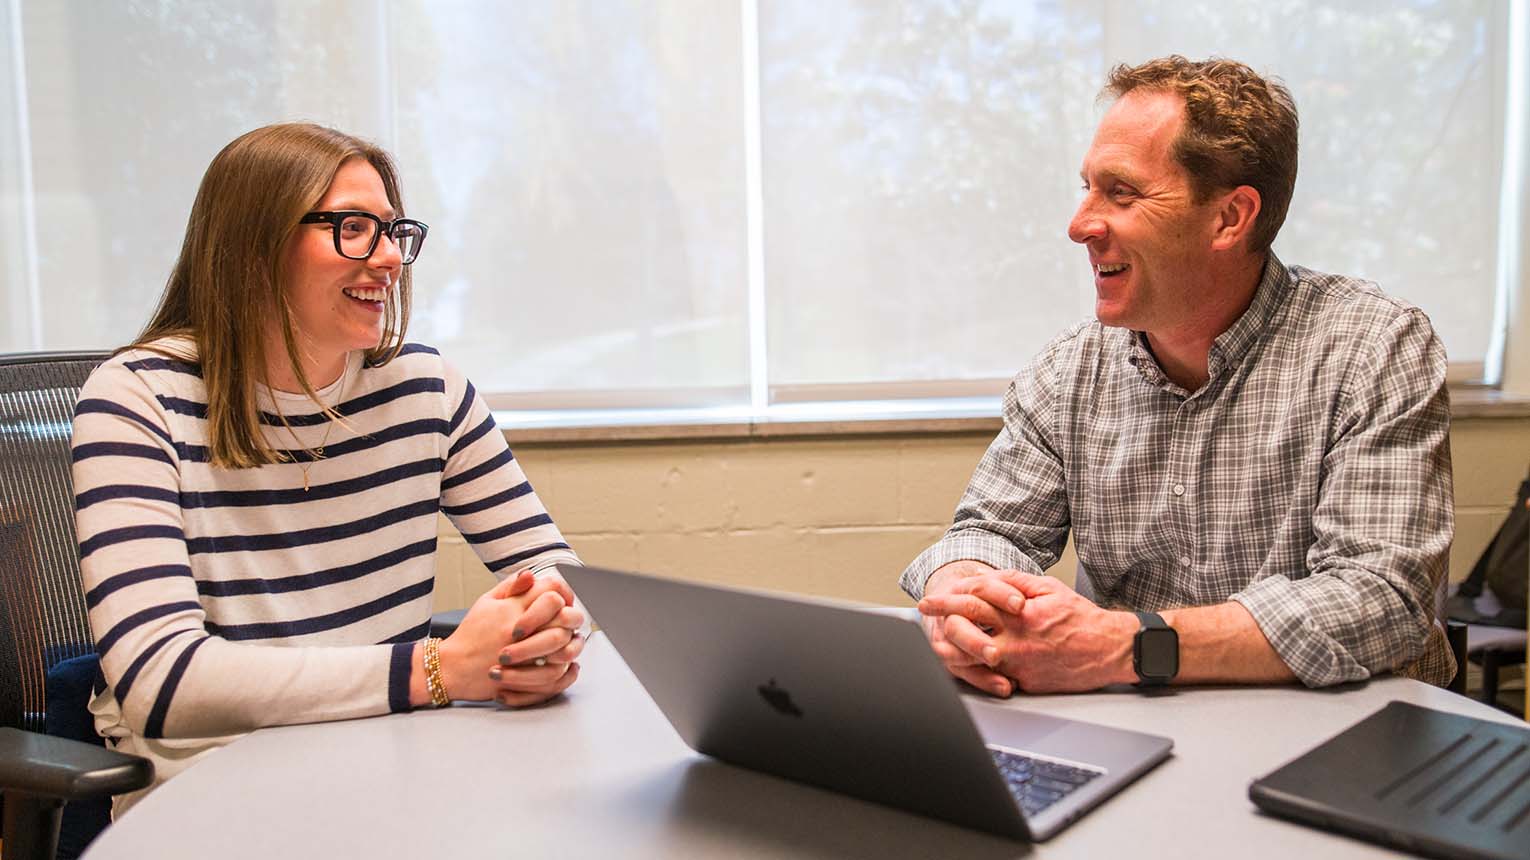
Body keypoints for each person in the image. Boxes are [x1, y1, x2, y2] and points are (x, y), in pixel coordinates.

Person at [71, 123, 586, 812]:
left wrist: (538, 635)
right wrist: (438, 669)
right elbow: (163, 680)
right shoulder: (138, 398)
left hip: (387, 763)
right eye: (352, 228)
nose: (388, 260)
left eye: (390, 231)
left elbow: (558, 572)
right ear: (253, 247)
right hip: (213, 788)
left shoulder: (424, 387)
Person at [904, 56, 1454, 696]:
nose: (1080, 223)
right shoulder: (1069, 372)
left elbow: (1382, 599)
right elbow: (987, 532)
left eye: (1121, 192)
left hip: (1348, 740)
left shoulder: (1374, 349)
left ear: (1230, 218)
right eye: (1086, 187)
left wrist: (1125, 644)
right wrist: (963, 599)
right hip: (1145, 727)